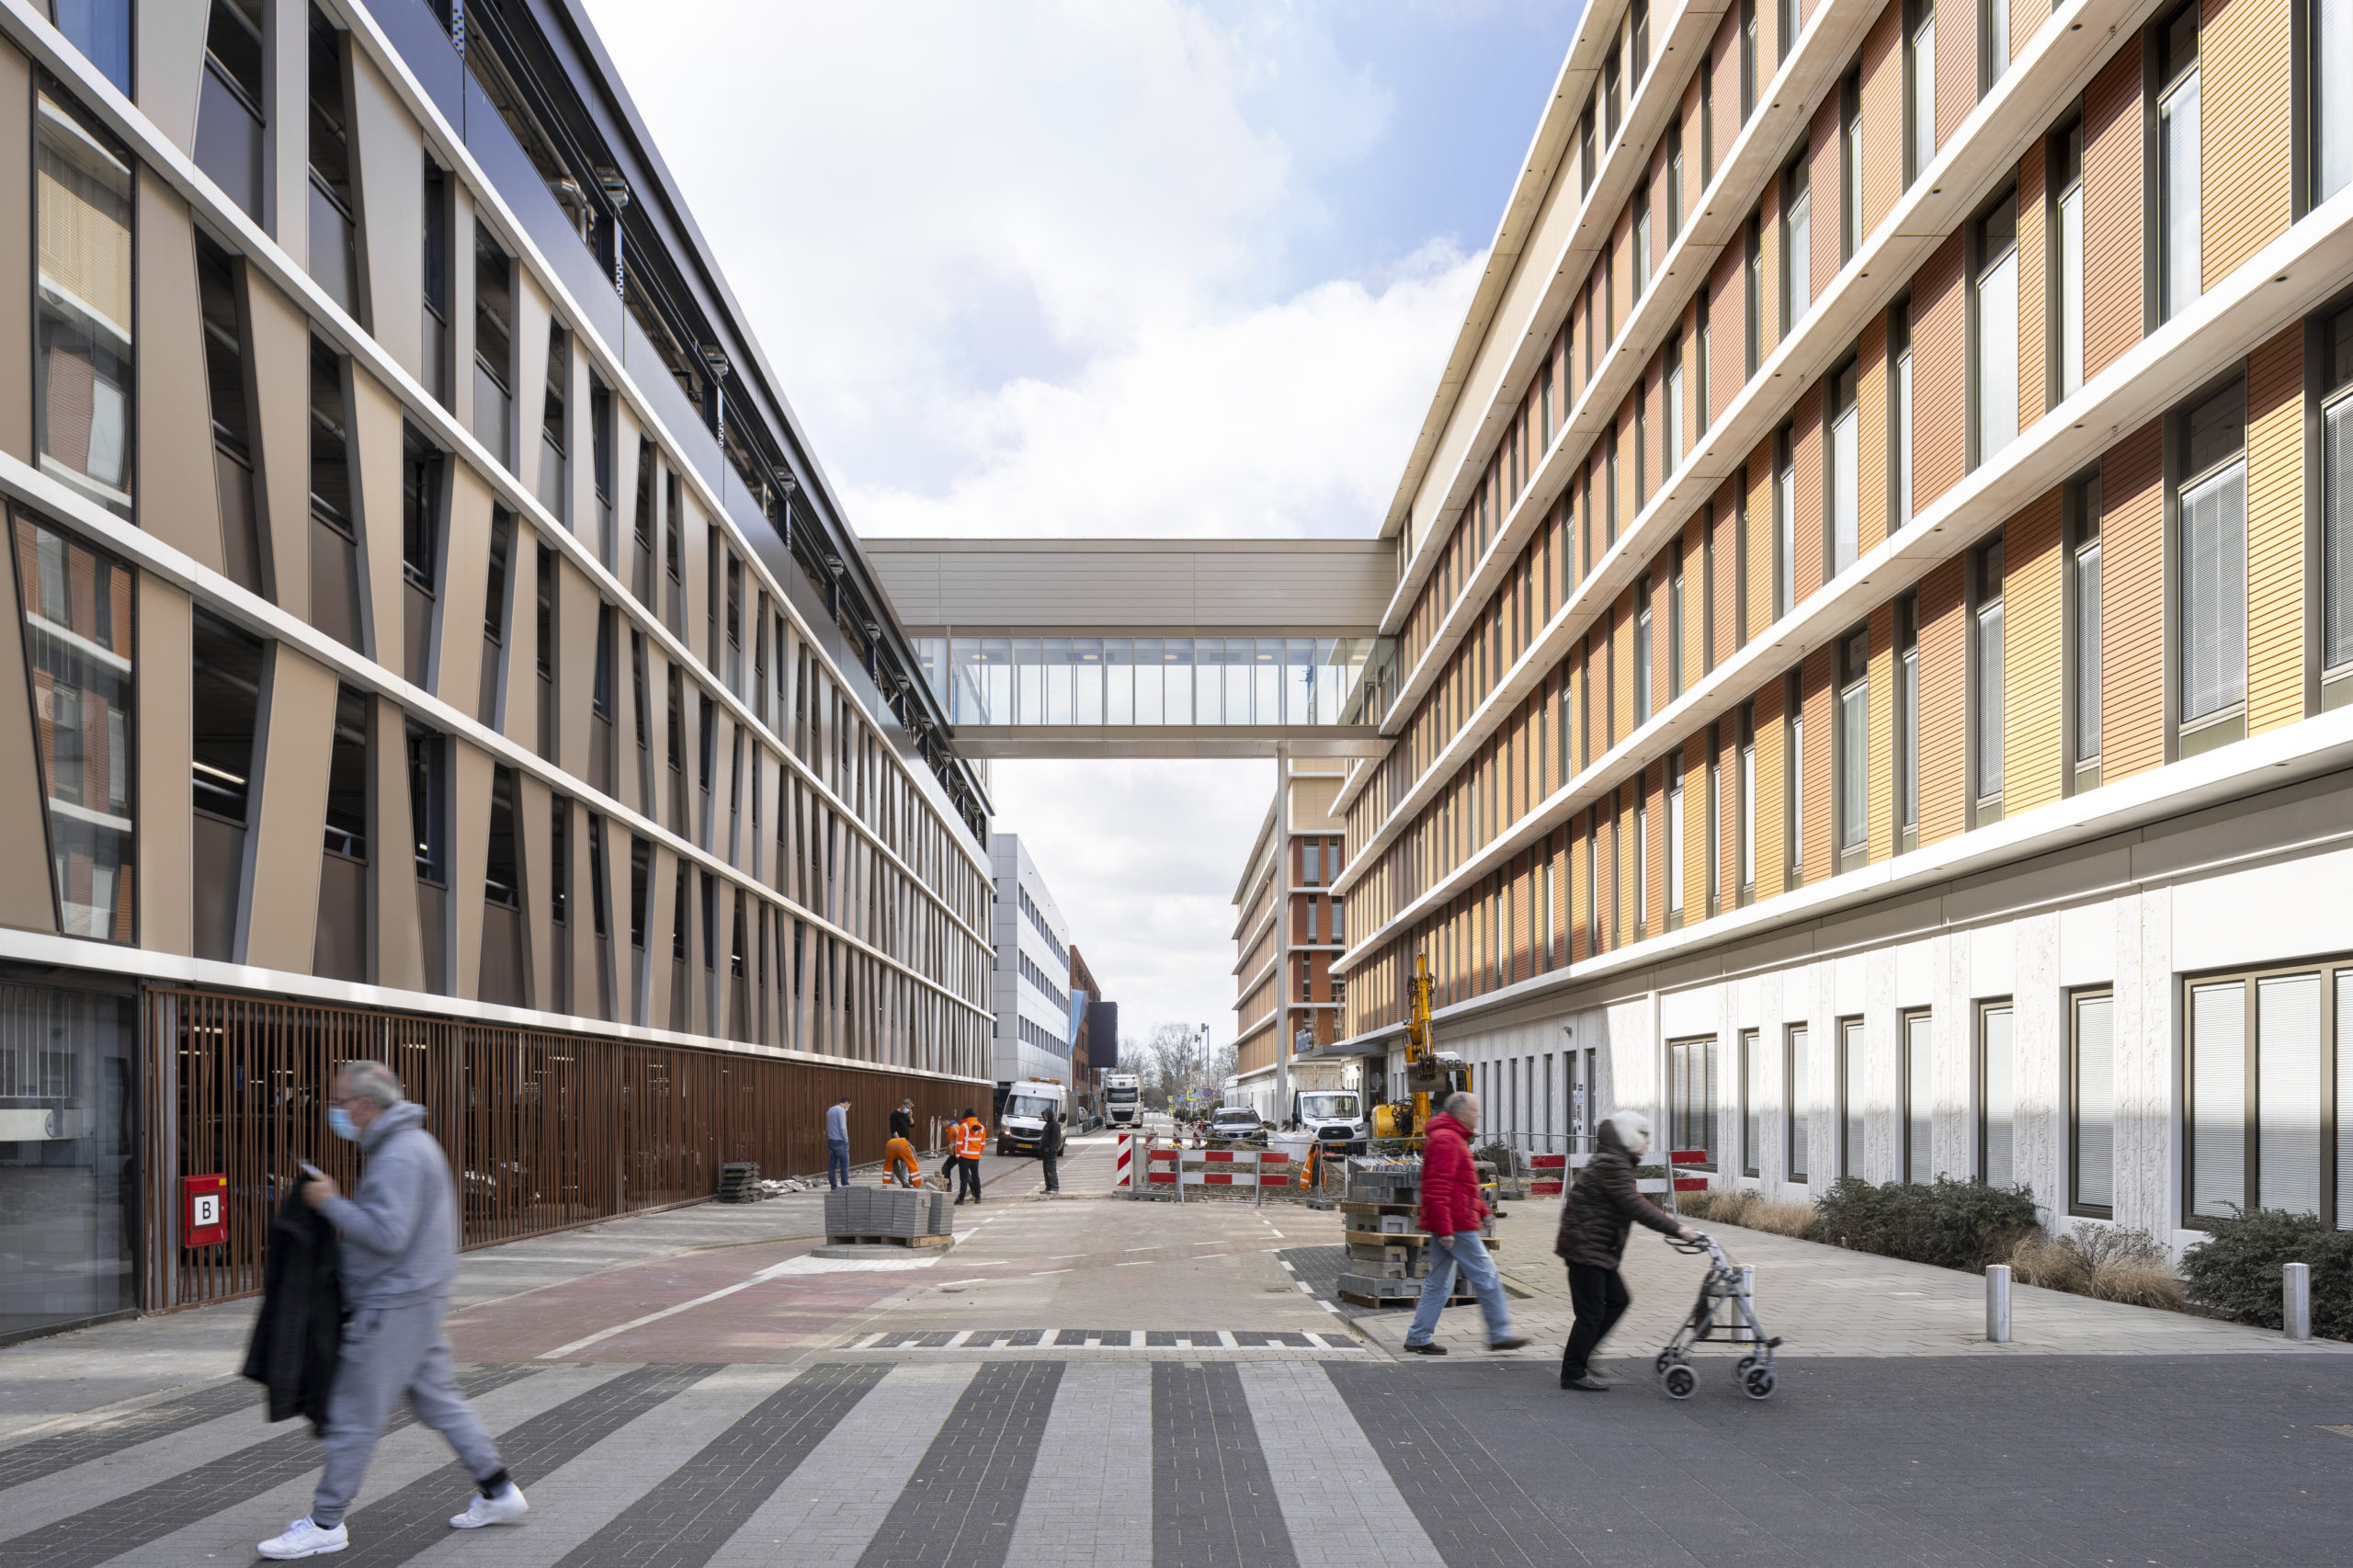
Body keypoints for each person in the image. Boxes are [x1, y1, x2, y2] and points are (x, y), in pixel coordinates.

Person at [258, 1062, 527, 1559]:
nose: (335, 1111)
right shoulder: (411, 1145)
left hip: (392, 1304)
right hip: (417, 1300)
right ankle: (499, 1491)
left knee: (352, 1417)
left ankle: (325, 1523)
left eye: (339, 1102)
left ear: (365, 1104)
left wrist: (330, 1202)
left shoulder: (399, 1154)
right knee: (441, 1402)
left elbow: (387, 1234)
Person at [1554, 1109, 1696, 1392]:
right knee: (1591, 1313)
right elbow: (1635, 1205)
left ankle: (1581, 1357)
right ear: (1628, 1136)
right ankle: (1572, 1372)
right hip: (1587, 1249)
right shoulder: (1611, 1164)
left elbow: (1632, 1202)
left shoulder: (1615, 1162)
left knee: (1617, 1300)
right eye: (1643, 1134)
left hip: (1596, 1248)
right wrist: (1678, 1229)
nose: (1647, 1140)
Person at [1401, 1092, 1527, 1356]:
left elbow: (1462, 1185)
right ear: (1461, 1113)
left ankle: (1418, 1337)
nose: (1478, 1115)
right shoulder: (1447, 1140)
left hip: (1453, 1221)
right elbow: (1437, 1188)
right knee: (1487, 1276)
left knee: (1440, 1282)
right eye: (1475, 1110)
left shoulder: (1452, 1138)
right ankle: (1499, 1333)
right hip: (1456, 1225)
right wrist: (1446, 1229)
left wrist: (1482, 1209)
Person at [953, 1108, 987, 1204]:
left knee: (963, 1179)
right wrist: (978, 1154)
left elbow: (959, 1143)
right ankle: (978, 1197)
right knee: (976, 1176)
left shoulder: (963, 1127)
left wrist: (958, 1156)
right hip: (975, 1157)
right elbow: (983, 1143)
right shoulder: (982, 1128)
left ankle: (961, 1199)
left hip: (964, 1157)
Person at [825, 1096, 852, 1188]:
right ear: (846, 1103)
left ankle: (833, 1186)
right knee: (844, 1163)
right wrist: (846, 1139)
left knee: (832, 1165)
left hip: (831, 1140)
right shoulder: (841, 1110)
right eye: (848, 1105)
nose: (848, 1108)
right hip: (840, 1141)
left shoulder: (830, 1110)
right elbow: (842, 1127)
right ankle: (845, 1184)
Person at [1037, 1105, 1062, 1194]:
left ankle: (1055, 1187)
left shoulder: (1055, 1125)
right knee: (1046, 1170)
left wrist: (1052, 1149)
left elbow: (1056, 1139)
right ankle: (1048, 1187)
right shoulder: (1047, 1124)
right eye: (1044, 1115)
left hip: (1050, 1152)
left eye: (1046, 1115)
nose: (1045, 1117)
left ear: (1049, 1115)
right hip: (1045, 1152)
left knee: (1051, 1169)